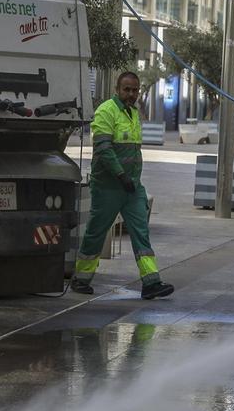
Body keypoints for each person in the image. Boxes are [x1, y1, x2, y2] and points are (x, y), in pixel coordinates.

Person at [70, 72, 174, 300]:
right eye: (127, 89)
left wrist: (131, 181)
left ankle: (151, 282)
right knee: (97, 232)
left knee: (141, 232)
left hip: (132, 187)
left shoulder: (132, 113)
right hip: (108, 187)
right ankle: (81, 278)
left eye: (135, 90)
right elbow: (104, 149)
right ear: (117, 89)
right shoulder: (107, 111)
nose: (131, 94)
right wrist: (120, 175)